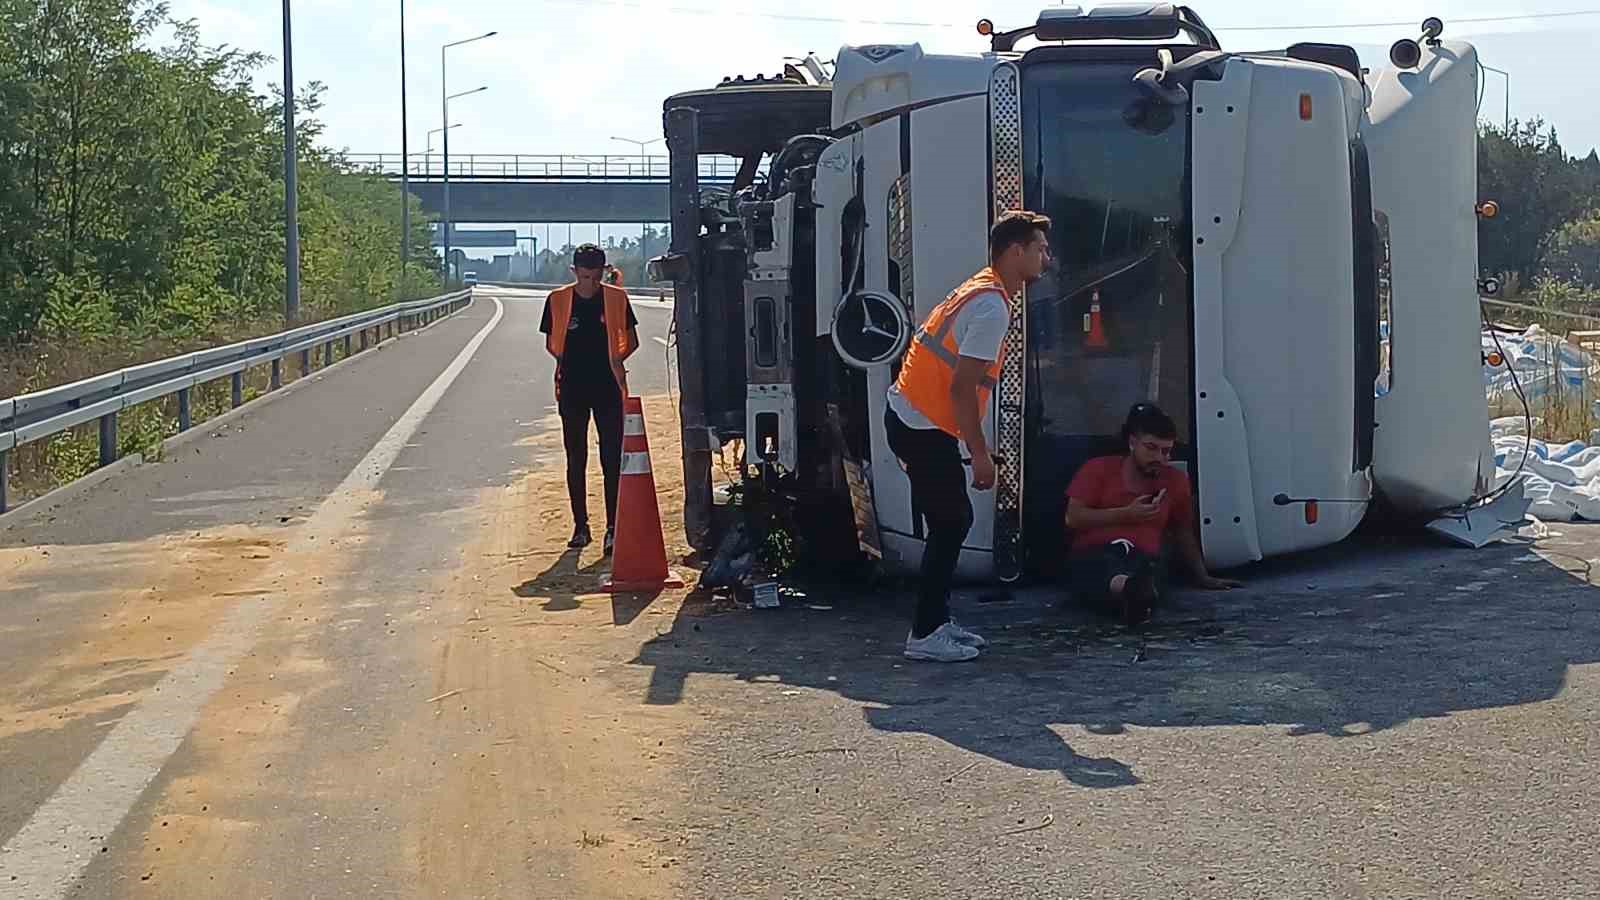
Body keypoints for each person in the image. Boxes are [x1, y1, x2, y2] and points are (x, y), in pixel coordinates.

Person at [884, 210, 1053, 662]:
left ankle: (935, 620)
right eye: (1039, 249)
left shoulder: (984, 288)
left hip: (914, 417)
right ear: (1015, 252)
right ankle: (924, 634)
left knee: (950, 520)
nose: (1046, 257)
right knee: (952, 522)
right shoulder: (991, 305)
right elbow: (962, 387)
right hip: (923, 425)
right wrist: (979, 454)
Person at [1063, 402, 1242, 626]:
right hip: (1096, 550)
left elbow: (1182, 531)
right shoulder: (1098, 469)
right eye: (1151, 448)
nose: (1160, 457)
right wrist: (1126, 514)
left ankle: (1135, 593)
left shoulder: (1174, 480)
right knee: (1098, 568)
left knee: (1149, 571)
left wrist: (1201, 575)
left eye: (1166, 451)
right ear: (1132, 443)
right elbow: (1074, 517)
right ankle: (1130, 591)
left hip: (1144, 556)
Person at [540, 244, 641, 555]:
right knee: (576, 457)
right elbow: (552, 343)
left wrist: (612, 362)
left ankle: (614, 527)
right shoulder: (557, 300)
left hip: (608, 388)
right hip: (572, 388)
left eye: (596, 277)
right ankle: (581, 526)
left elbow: (631, 340)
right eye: (585, 277)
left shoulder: (616, 298)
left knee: (611, 458)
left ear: (603, 272)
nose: (590, 284)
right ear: (574, 272)